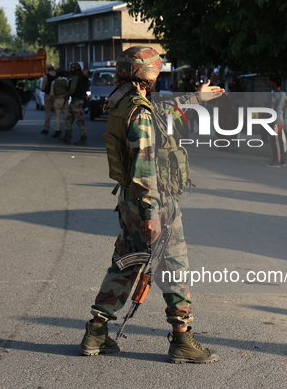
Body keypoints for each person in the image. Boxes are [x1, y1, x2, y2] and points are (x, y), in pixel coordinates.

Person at [80, 46, 224, 364]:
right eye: (155, 69)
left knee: (125, 266)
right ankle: (183, 340)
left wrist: (196, 97)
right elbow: (144, 164)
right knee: (175, 269)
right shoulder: (139, 112)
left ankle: (96, 332)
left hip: (131, 205)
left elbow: (164, 112)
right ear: (145, 74)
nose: (158, 73)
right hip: (152, 206)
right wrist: (151, 213)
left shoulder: (122, 101)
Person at [267, 76, 287, 167]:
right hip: (280, 119)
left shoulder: (273, 94)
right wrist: (281, 109)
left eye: (270, 81)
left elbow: (271, 107)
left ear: (274, 83)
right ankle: (279, 159)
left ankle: (278, 161)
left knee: (276, 141)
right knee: (279, 140)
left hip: (274, 120)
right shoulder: (282, 93)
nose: (269, 83)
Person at [62, 62, 90, 145]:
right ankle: (67, 135)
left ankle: (83, 137)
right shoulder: (84, 77)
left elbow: (72, 89)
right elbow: (88, 84)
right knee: (69, 117)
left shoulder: (76, 77)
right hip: (79, 99)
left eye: (72, 68)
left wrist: (66, 95)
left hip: (76, 101)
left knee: (79, 120)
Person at [49, 68, 69, 138]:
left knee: (57, 116)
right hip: (64, 99)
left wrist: (52, 103)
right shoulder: (66, 81)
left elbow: (52, 94)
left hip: (57, 99)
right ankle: (67, 130)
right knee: (66, 116)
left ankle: (58, 130)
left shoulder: (54, 82)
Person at [40, 63, 57, 134]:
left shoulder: (46, 77)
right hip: (56, 96)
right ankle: (58, 128)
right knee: (57, 113)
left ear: (47, 68)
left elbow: (42, 88)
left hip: (48, 95)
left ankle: (46, 128)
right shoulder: (57, 76)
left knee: (48, 113)